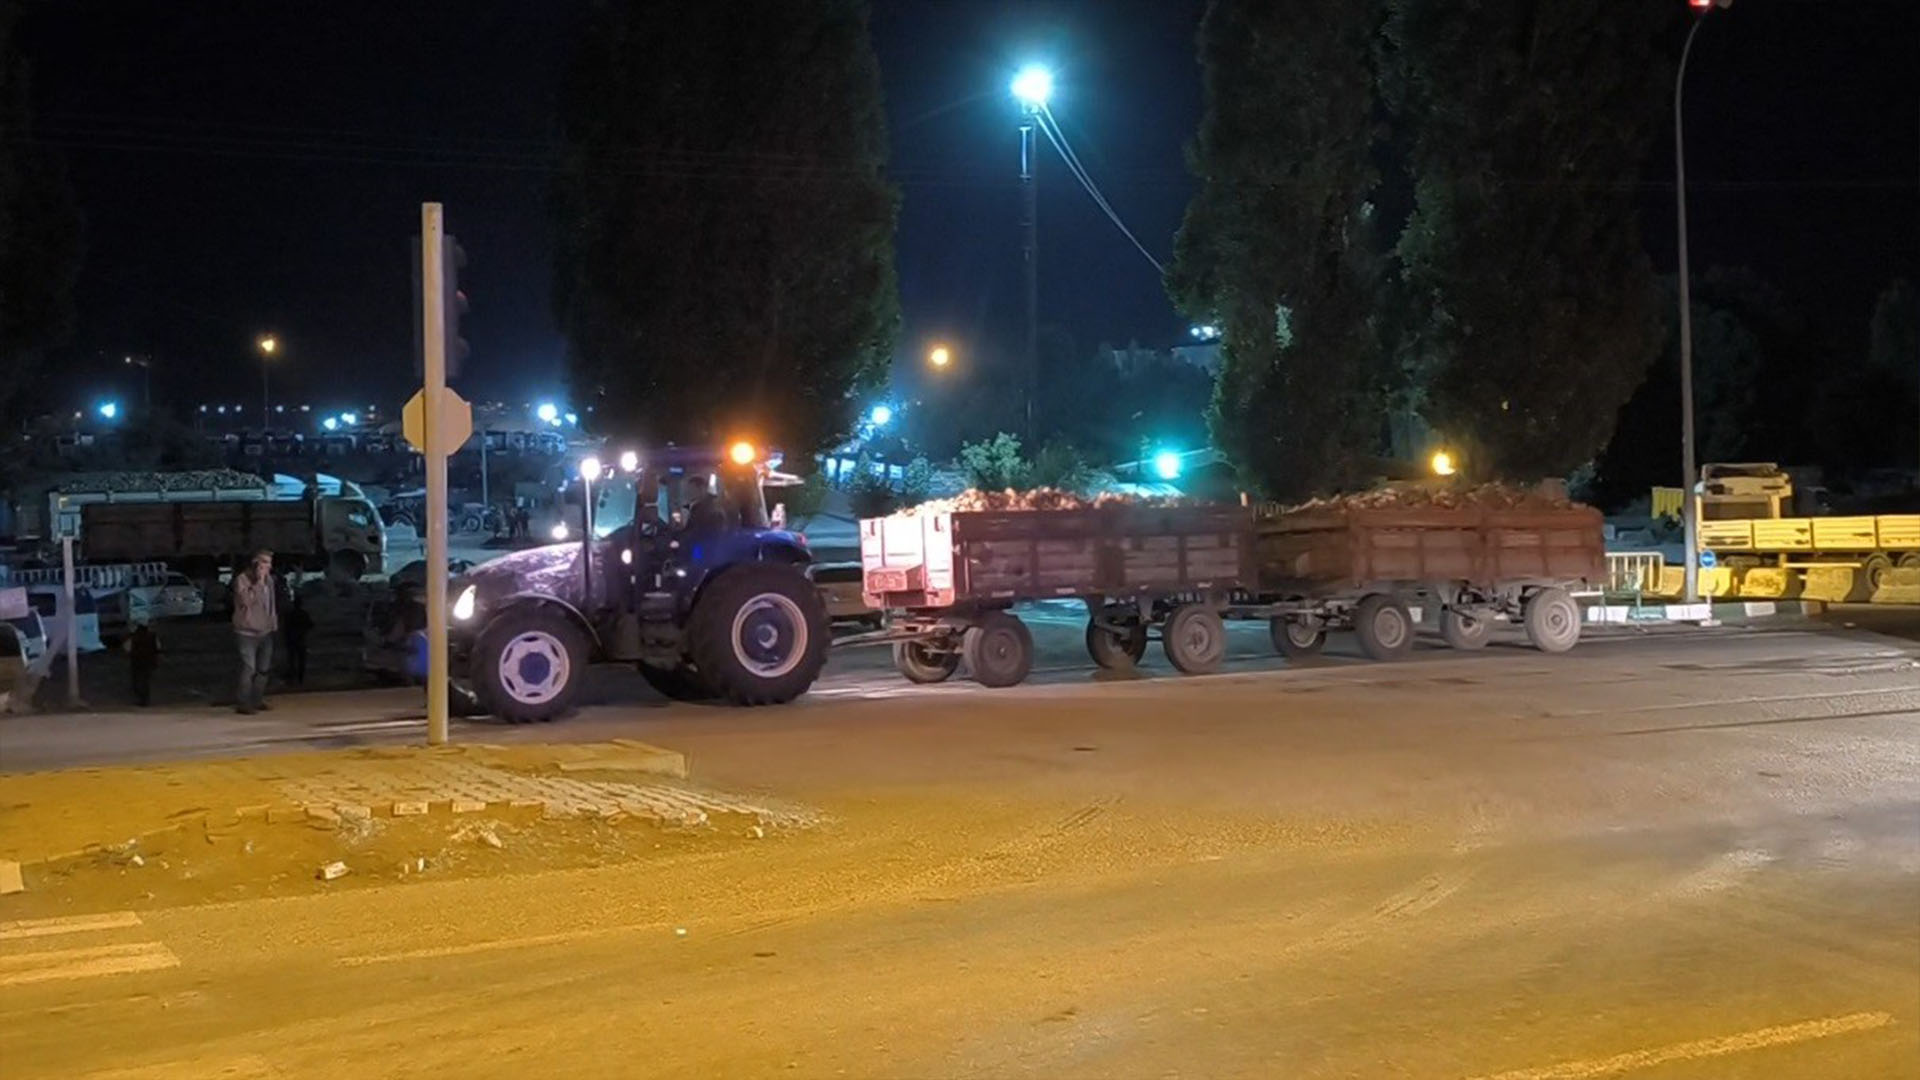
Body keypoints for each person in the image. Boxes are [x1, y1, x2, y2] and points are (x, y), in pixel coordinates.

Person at [232, 550, 278, 714]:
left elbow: (271, 604)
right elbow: (246, 601)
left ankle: (258, 699)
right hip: (247, 631)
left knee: (263, 668)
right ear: (255, 563)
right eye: (264, 562)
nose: (268, 566)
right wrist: (258, 583)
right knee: (249, 667)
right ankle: (243, 703)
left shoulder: (270, 581)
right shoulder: (243, 580)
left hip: (265, 630)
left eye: (269, 562)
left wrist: (273, 623)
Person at [125, 620, 160, 707]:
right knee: (145, 681)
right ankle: (145, 699)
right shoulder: (152, 636)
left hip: (137, 661)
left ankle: (141, 698)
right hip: (149, 661)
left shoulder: (134, 637)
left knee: (137, 681)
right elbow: (158, 647)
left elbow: (127, 648)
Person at [283, 589, 313, 686]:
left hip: (292, 639)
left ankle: (293, 677)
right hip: (301, 639)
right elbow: (311, 625)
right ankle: (300, 678)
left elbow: (285, 627)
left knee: (292, 660)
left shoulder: (290, 614)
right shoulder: (303, 614)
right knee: (301, 660)